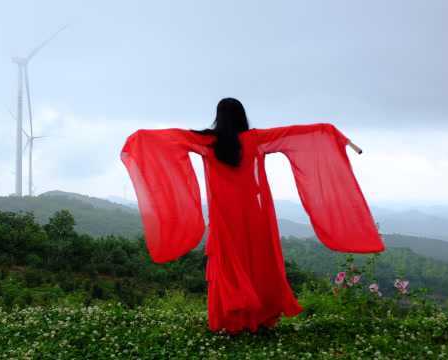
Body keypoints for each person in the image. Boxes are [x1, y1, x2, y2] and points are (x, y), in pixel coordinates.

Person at [120, 97, 384, 334]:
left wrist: (138, 139)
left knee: (230, 264)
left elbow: (169, 138)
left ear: (219, 116)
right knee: (256, 261)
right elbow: (296, 133)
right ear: (241, 116)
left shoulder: (206, 141)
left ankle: (235, 319)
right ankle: (257, 318)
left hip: (225, 217)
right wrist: (330, 132)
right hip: (253, 214)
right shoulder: (254, 139)